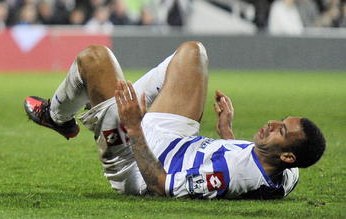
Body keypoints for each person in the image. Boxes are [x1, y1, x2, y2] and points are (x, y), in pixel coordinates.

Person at [24, 41, 325, 199]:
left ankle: (57, 116)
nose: (272, 124)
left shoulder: (229, 176)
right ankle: (103, 106)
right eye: (281, 121)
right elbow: (253, 173)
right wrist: (227, 133)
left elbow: (161, 185)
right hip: (179, 140)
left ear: (287, 155)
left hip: (140, 164)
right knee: (193, 52)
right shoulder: (289, 173)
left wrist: (134, 127)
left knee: (95, 58)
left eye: (281, 131)